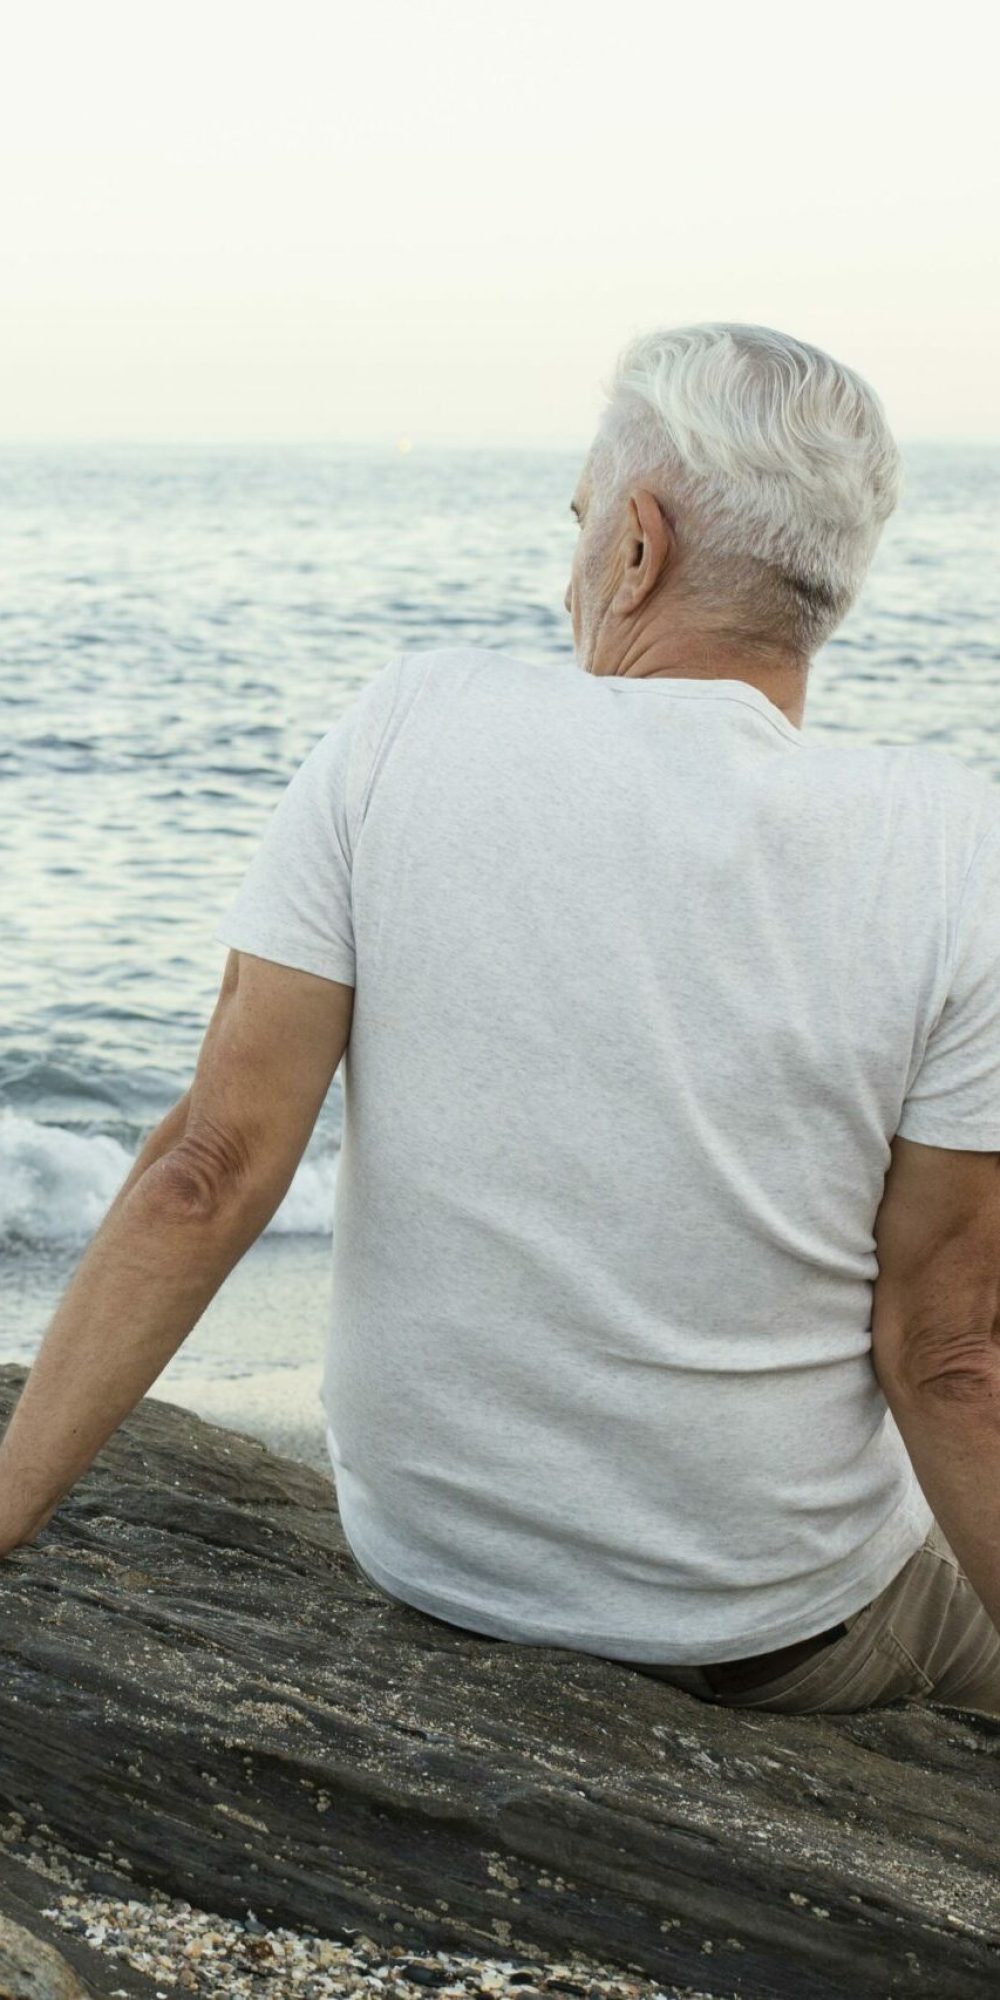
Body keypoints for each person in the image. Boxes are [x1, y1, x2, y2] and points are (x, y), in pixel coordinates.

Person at [2, 322, 998, 1719]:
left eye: (582, 524)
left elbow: (206, 1170)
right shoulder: (951, 846)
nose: (572, 561)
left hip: (441, 1560)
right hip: (770, 1630)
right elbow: (948, 1351)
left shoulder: (409, 725)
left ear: (639, 548)